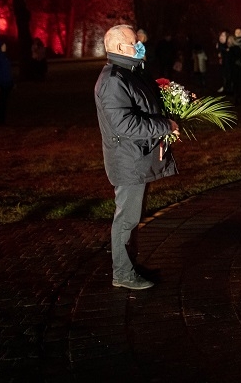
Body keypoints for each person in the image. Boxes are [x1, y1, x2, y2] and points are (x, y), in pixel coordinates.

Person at [94, 25, 179, 290]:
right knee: (126, 219)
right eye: (135, 42)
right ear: (120, 47)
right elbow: (126, 125)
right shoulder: (112, 80)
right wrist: (165, 125)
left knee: (132, 217)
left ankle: (128, 265)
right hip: (128, 161)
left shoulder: (131, 73)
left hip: (138, 157)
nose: (140, 44)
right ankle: (122, 274)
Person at [0, 40, 15, 125]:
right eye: (3, 45)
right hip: (1, 83)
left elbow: (7, 70)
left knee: (4, 102)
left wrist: (11, 81)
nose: (5, 47)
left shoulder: (4, 57)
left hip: (7, 83)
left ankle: (2, 120)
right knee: (1, 102)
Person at [227, 34, 241, 104]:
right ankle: (239, 96)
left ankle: (239, 97)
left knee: (238, 83)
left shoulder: (234, 49)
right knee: (239, 83)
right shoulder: (236, 48)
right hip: (238, 69)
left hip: (238, 69)